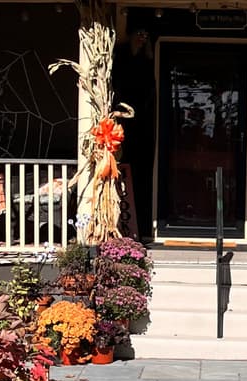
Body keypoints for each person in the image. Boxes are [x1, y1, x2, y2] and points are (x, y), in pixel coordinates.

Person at [113, 21, 156, 239]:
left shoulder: (148, 61)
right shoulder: (121, 57)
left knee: (142, 170)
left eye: (146, 35)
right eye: (139, 33)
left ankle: (145, 225)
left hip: (143, 121)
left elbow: (149, 89)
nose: (142, 38)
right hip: (123, 120)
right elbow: (117, 85)